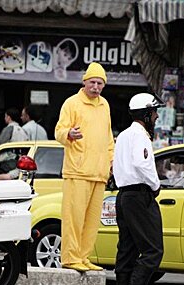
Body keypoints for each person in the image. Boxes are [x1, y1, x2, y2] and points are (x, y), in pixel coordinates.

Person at [54, 62, 114, 272]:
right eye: (92, 82)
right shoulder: (72, 104)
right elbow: (59, 131)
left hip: (99, 173)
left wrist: (111, 160)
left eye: (100, 83)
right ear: (84, 82)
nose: (96, 87)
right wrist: (69, 134)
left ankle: (84, 257)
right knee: (74, 218)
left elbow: (108, 138)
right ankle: (70, 258)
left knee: (91, 221)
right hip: (77, 171)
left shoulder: (105, 105)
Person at [113, 92, 165, 285]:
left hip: (124, 196)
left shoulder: (123, 135)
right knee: (153, 250)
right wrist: (155, 185)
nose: (156, 117)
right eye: (154, 113)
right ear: (145, 114)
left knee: (127, 249)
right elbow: (142, 164)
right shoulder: (141, 135)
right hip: (139, 195)